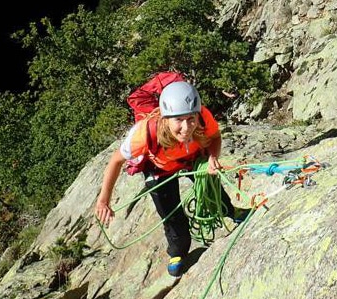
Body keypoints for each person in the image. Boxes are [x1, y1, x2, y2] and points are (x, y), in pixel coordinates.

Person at [94, 81, 246, 277]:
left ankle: (229, 210)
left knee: (210, 184)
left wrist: (212, 157)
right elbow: (115, 161)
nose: (186, 127)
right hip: (160, 168)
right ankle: (178, 252)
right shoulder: (144, 133)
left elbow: (215, 137)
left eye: (191, 119)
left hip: (191, 158)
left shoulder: (203, 116)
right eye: (179, 120)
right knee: (170, 214)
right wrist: (103, 200)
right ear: (166, 119)